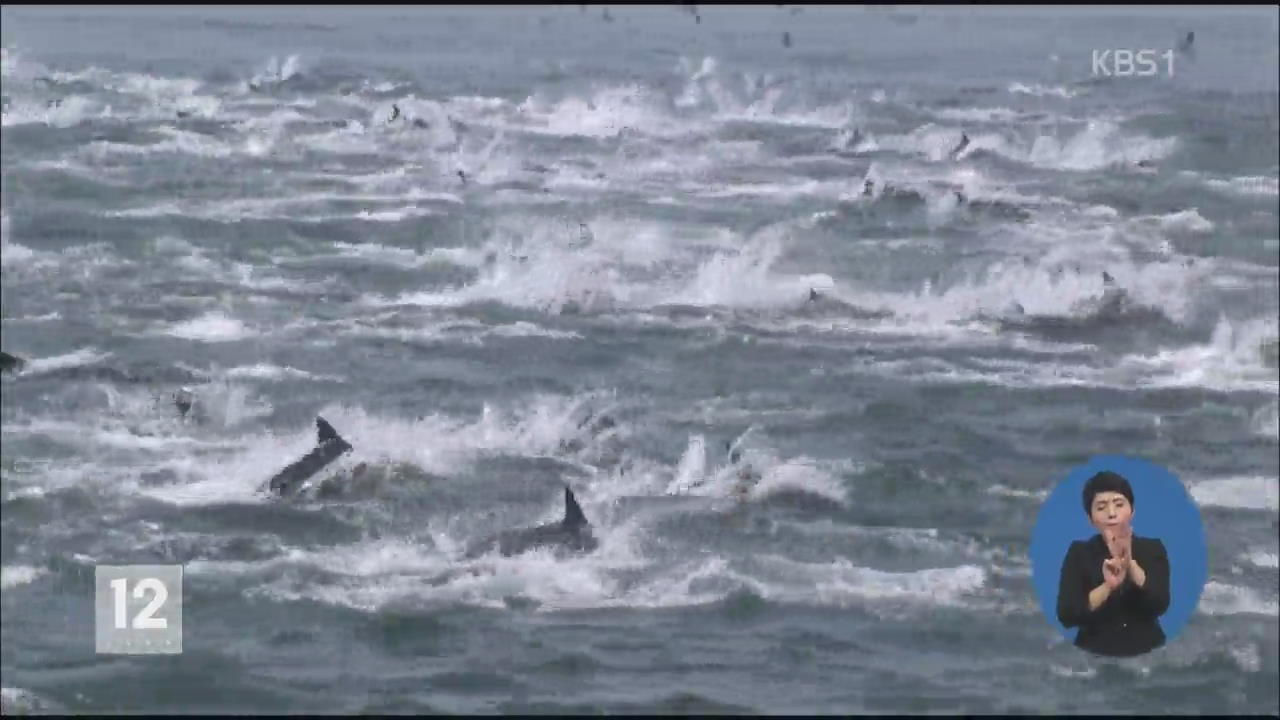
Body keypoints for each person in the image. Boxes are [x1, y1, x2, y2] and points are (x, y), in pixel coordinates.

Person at [1056, 471, 1170, 657]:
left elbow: (1160, 603)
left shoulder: (1153, 548)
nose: (1111, 513)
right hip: (1093, 655)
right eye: (1101, 507)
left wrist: (1130, 564)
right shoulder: (1079, 552)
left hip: (1148, 654)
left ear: (1132, 510)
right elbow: (1067, 615)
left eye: (1119, 505)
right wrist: (1108, 586)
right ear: (1090, 518)